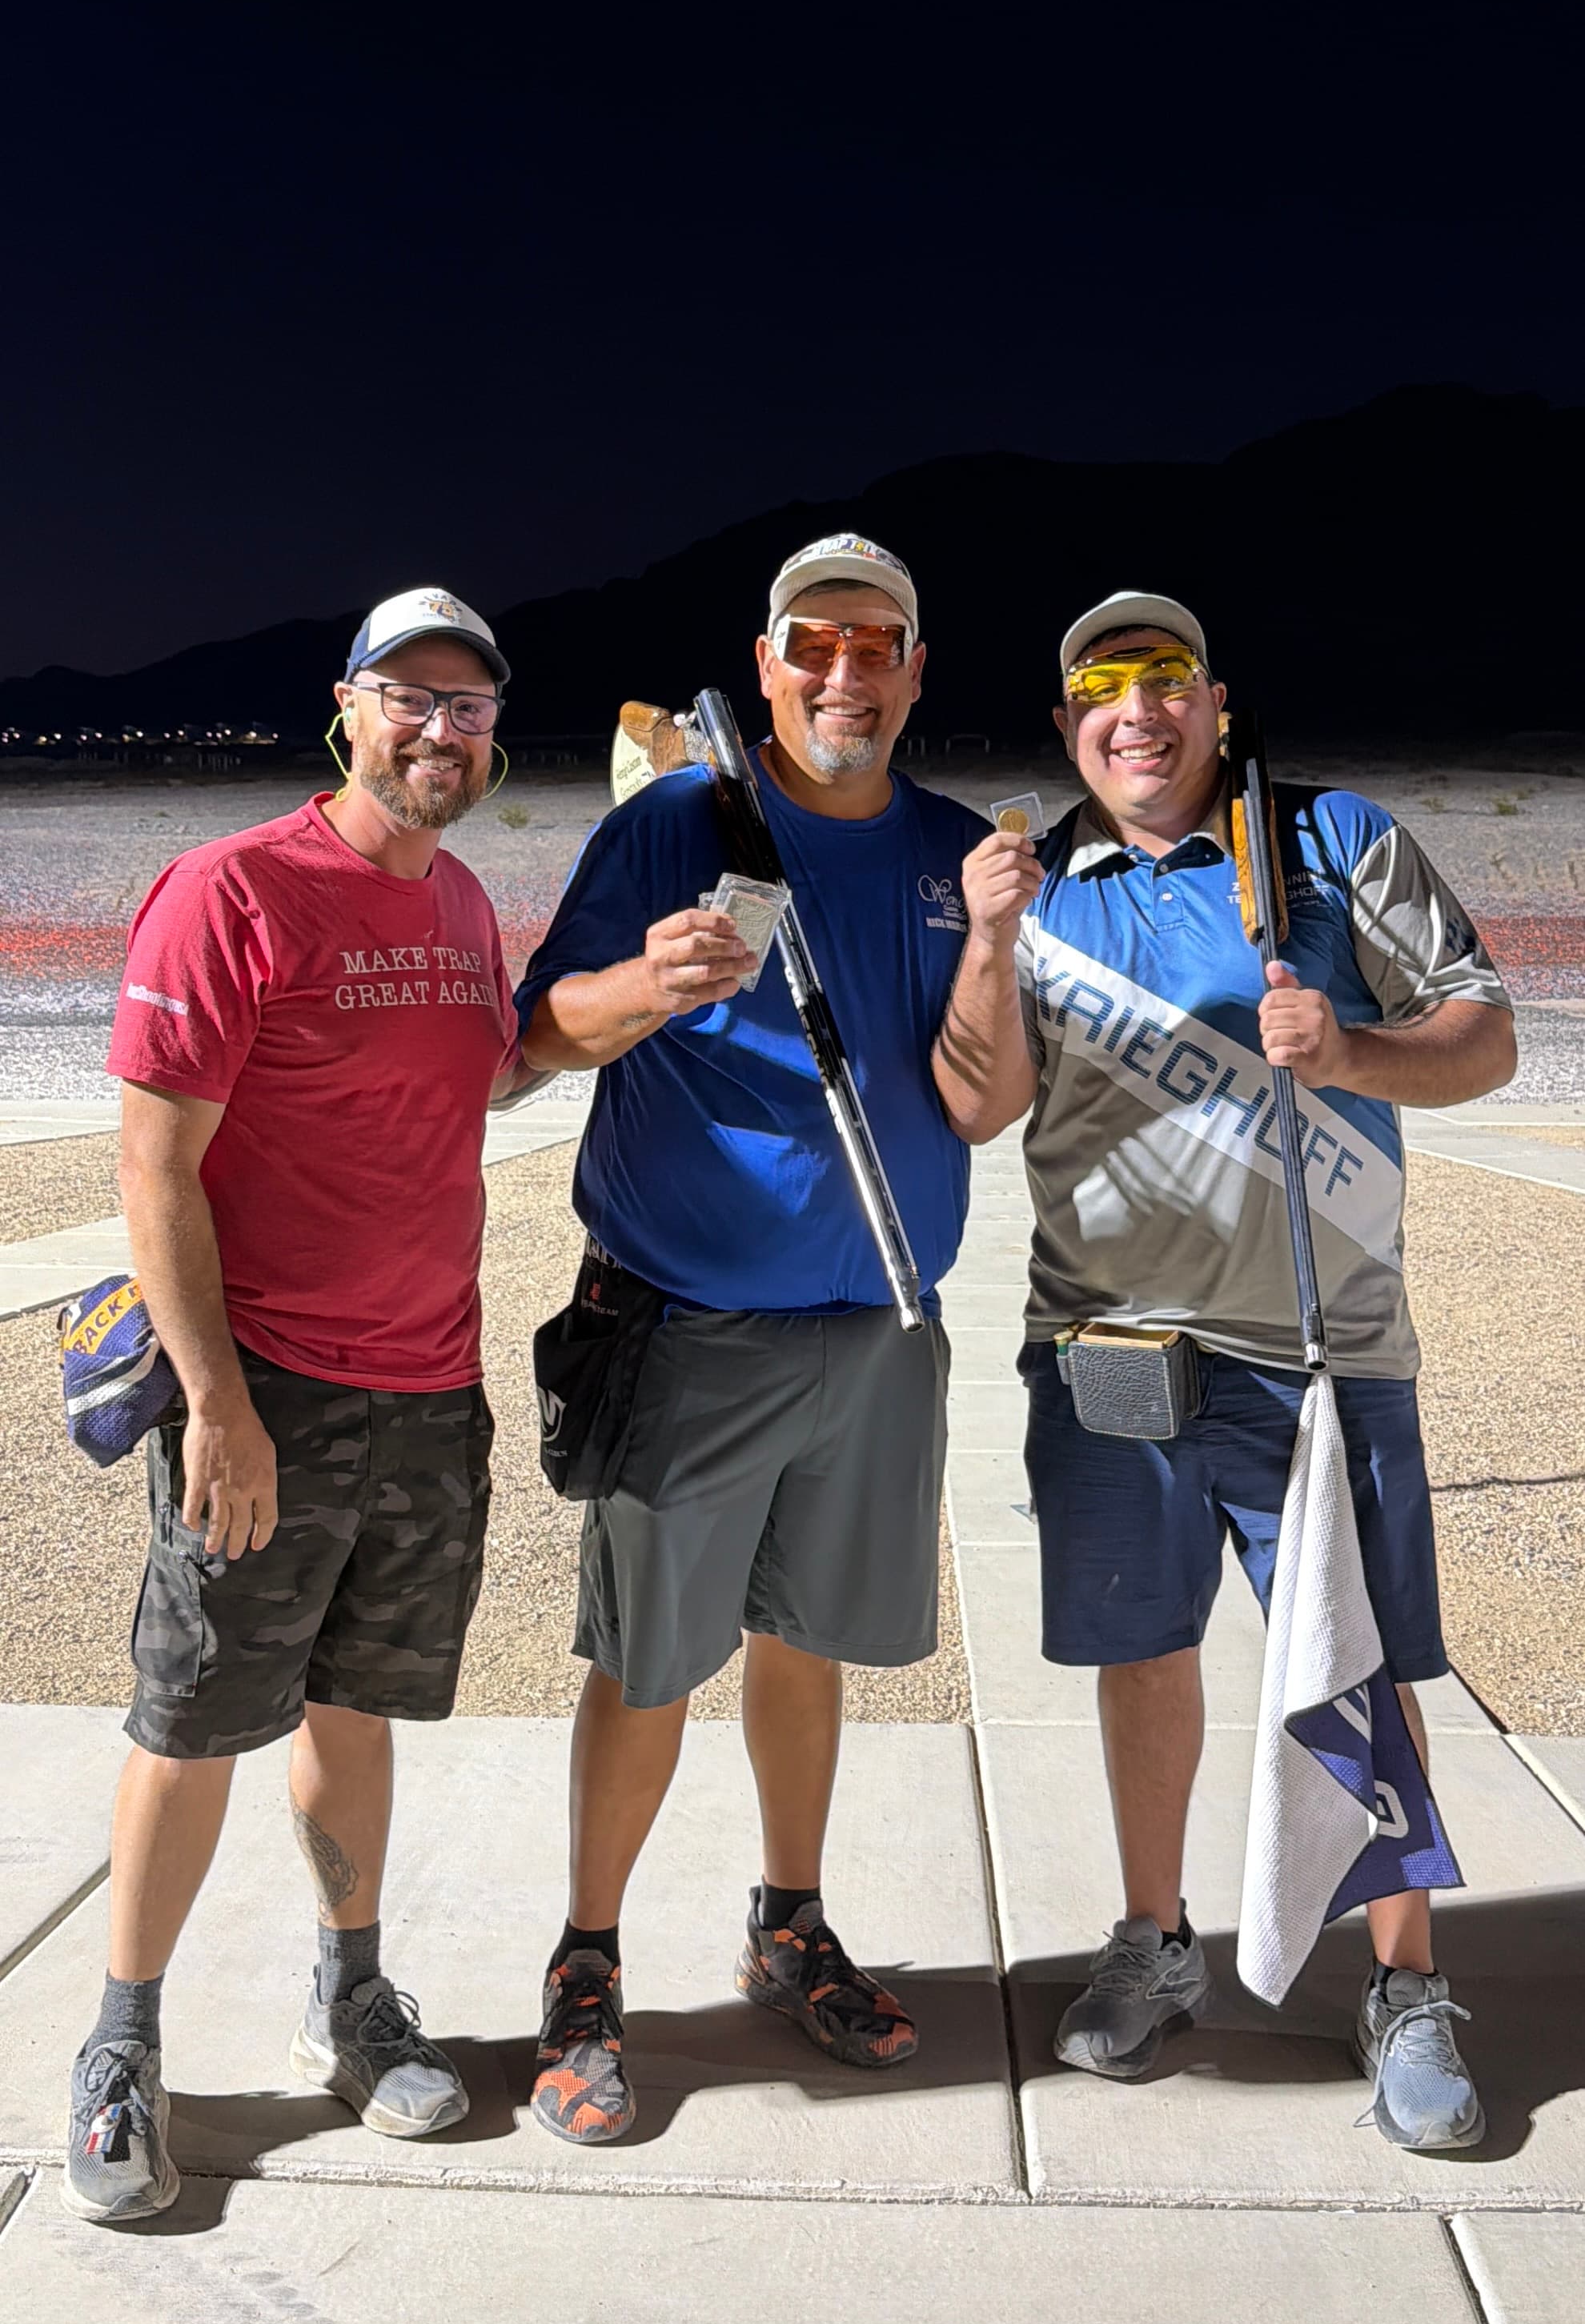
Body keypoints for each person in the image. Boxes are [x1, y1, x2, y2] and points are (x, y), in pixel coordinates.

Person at [933, 589, 1517, 2152]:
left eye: (1165, 677)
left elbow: (1485, 1034)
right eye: (1102, 686)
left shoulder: (1327, 842)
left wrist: (1357, 1053)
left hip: (1320, 1350)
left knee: (1360, 1659)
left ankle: (1405, 1982)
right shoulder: (1037, 879)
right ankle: (1154, 1935)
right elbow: (976, 1099)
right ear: (1068, 726)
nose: (1137, 708)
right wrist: (987, 937)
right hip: (1110, 1348)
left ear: (1216, 701)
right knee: (1144, 1658)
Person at [65, 587, 541, 2222]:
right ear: (347, 707)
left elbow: (469, 1079)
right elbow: (153, 1165)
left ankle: (351, 1993)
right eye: (411, 696)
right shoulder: (233, 890)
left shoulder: (469, 901)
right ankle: (122, 2040)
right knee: (193, 1714)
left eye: (470, 707)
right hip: (264, 1387)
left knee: (357, 1703)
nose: (441, 728)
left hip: (429, 1389)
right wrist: (216, 1400)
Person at [515, 531, 989, 2142]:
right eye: (814, 643)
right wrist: (638, 988)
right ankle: (587, 1962)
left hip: (880, 1326)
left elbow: (988, 1082)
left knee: (809, 1640)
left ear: (917, 670)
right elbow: (528, 1037)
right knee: (648, 1656)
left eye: (879, 644)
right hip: (693, 1326)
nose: (845, 672)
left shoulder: (955, 848)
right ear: (769, 660)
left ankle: (788, 1916)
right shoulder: (677, 819)